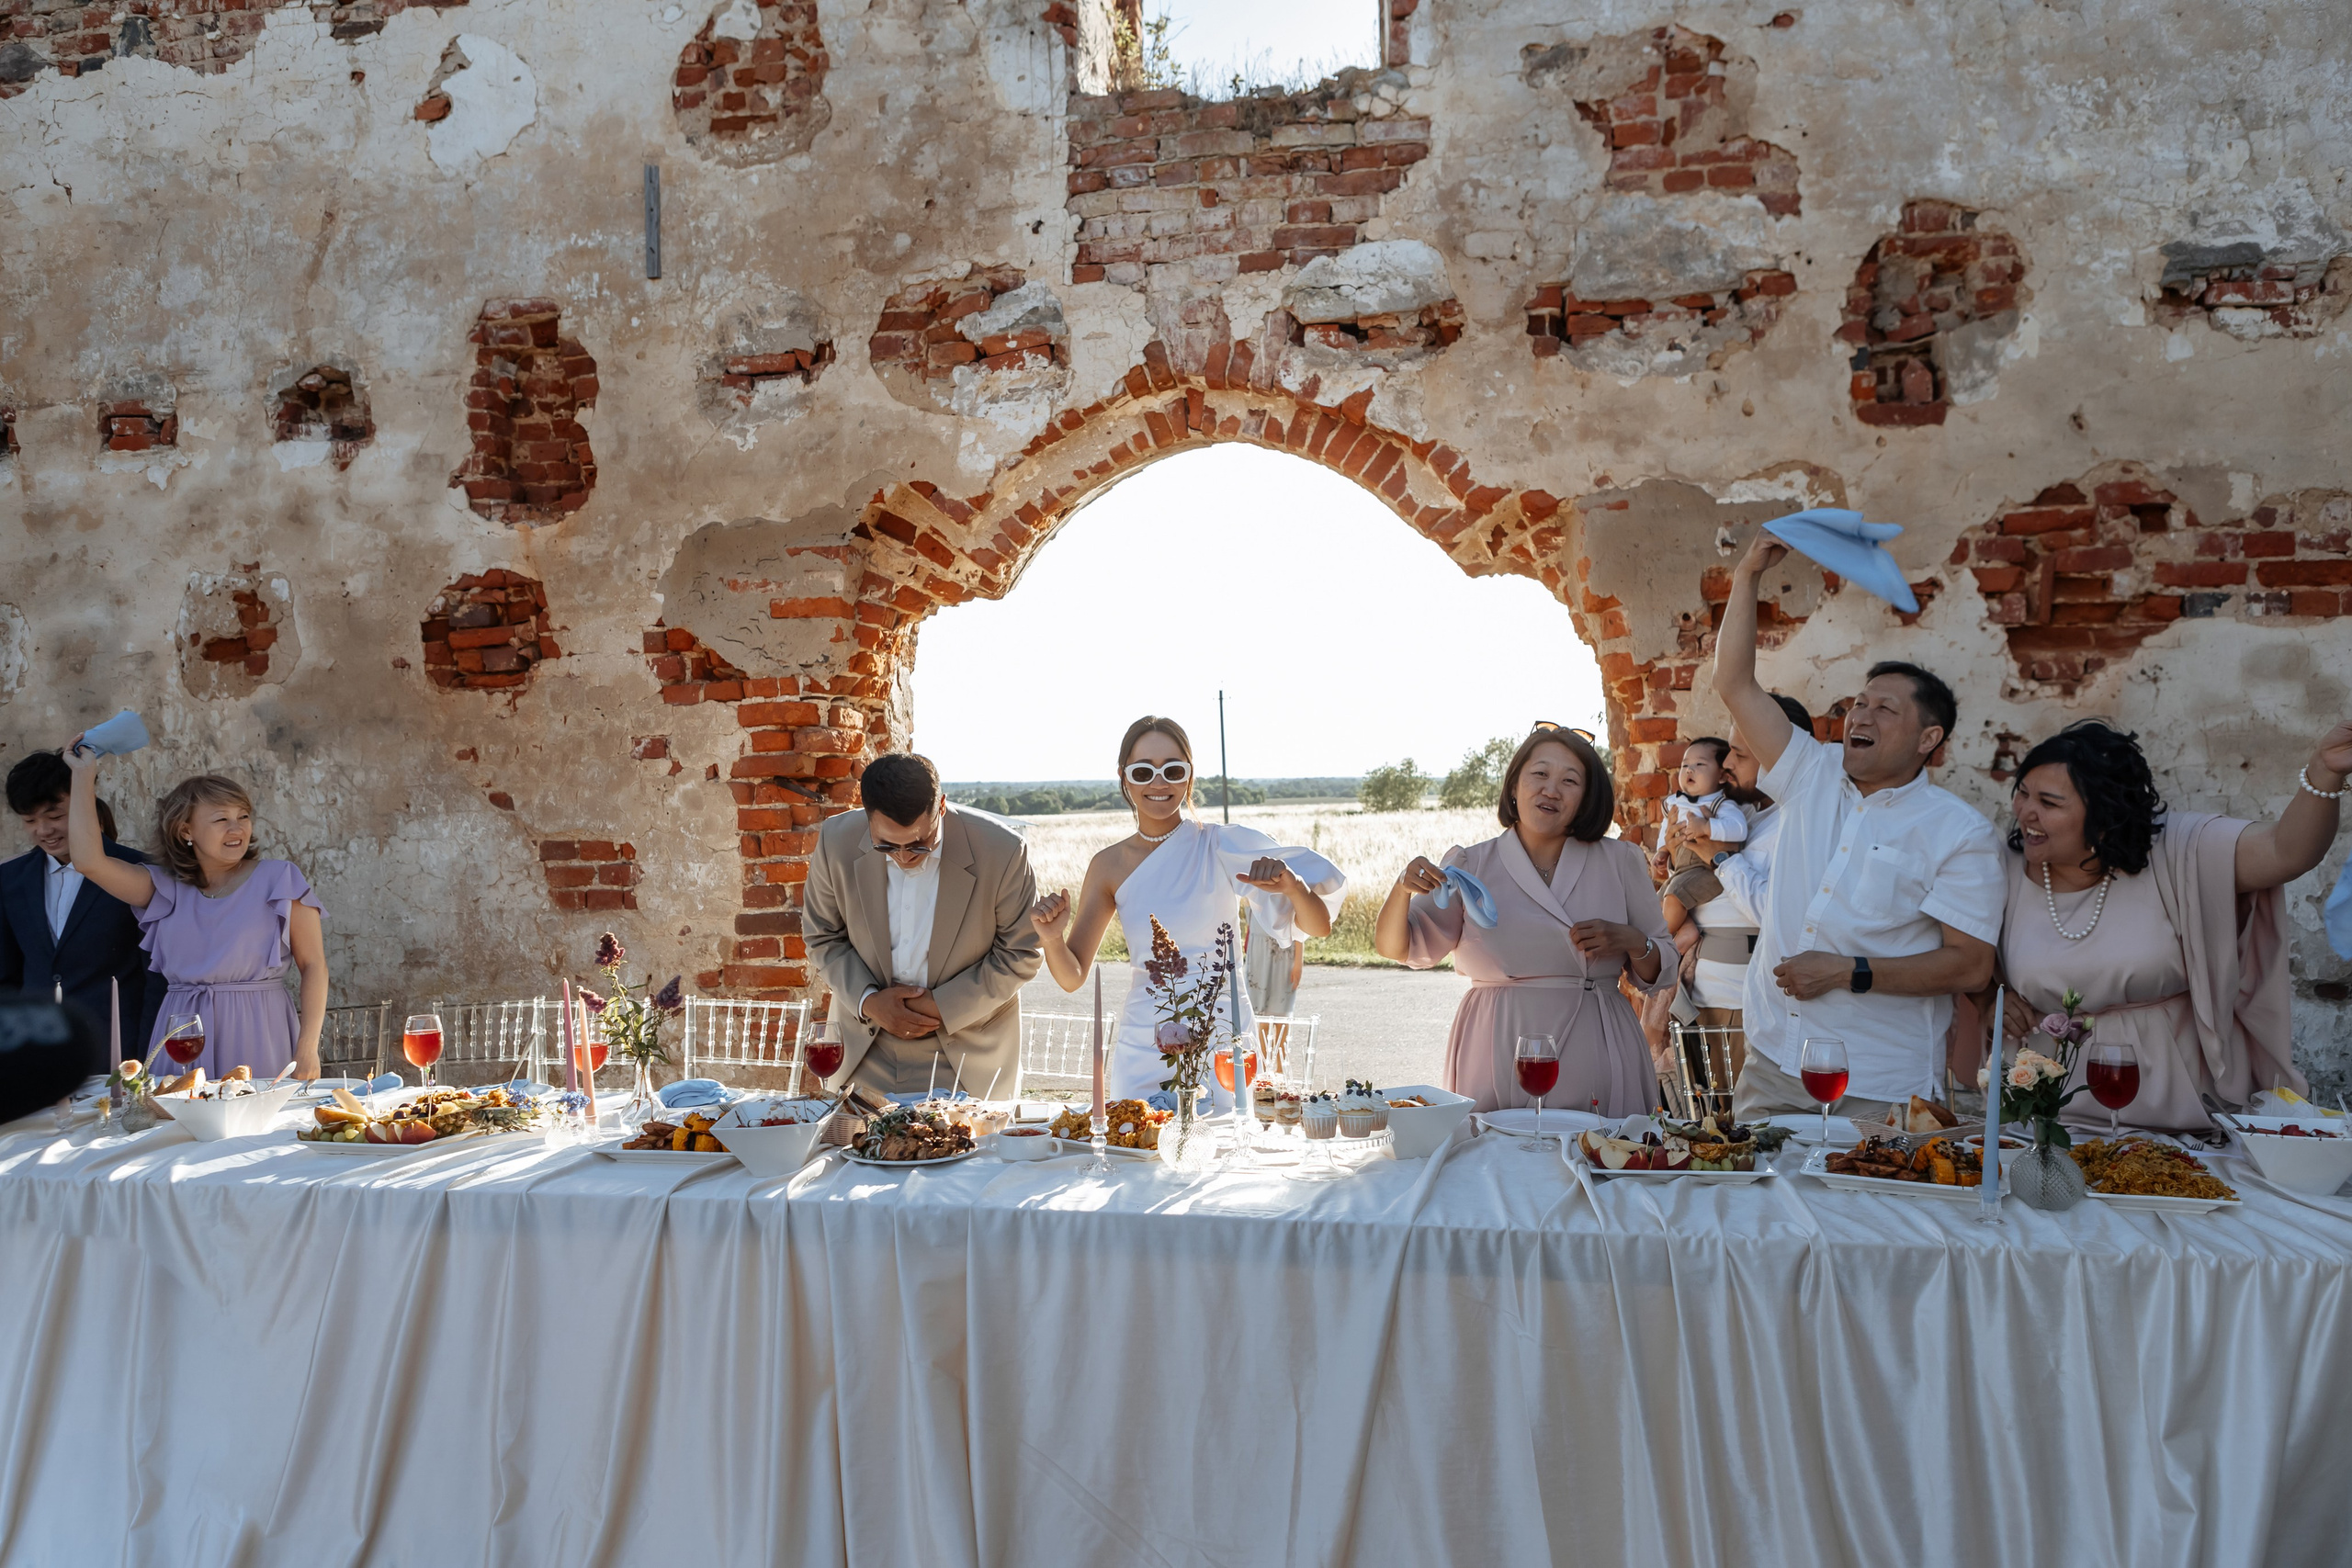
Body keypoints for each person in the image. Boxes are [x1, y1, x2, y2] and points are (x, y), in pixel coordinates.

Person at [1712, 533, 2003, 1123]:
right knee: (1752, 1214)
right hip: (1772, 1063)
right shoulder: (1809, 771)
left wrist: (1851, 972)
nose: (1859, 717)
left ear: (1929, 740)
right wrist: (1746, 575)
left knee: (1868, 1216)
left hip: (1880, 1080)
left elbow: (1970, 965)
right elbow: (1734, 684)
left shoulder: (1960, 833)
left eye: (1884, 710)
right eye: (1856, 706)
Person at [1993, 718, 2348, 1129]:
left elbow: (2285, 851)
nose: (2026, 813)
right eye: (2022, 793)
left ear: (2105, 814)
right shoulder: (2001, 869)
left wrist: (2324, 771)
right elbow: (1960, 951)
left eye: (2049, 803)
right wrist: (1988, 998)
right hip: (2046, 1108)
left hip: (2175, 1102)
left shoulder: (2180, 850)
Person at [1029, 716, 1342, 1107]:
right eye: (1143, 771)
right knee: (1138, 1148)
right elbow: (1072, 976)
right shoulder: (1107, 865)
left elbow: (1319, 925)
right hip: (1145, 1044)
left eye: (1173, 770)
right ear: (1124, 778)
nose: (1158, 783)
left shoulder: (1221, 846)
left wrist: (1293, 887)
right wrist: (1051, 938)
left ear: (1189, 776)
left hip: (1224, 1044)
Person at [1376, 727, 1669, 1116]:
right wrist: (1401, 889)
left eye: (1570, 780)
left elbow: (1663, 969)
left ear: (1585, 799)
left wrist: (1633, 940)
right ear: (1514, 785)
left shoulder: (1621, 861)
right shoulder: (1470, 864)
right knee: (1494, 1166)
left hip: (1596, 1045)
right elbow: (1399, 947)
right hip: (1495, 1045)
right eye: (1540, 774)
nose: (1552, 789)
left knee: (1600, 1163)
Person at [62, 750, 328, 1077]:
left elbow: (314, 965)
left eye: (242, 816)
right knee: (179, 1127)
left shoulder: (280, 878)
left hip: (260, 1030)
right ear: (186, 831)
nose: (237, 829)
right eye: (221, 819)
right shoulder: (162, 888)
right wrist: (83, 776)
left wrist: (307, 1047)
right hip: (181, 1036)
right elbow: (89, 862)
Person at [803, 752, 1043, 1098]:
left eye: (919, 844)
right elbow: (822, 936)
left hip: (968, 1057)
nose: (904, 858)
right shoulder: (834, 840)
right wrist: (870, 1002)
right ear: (867, 815)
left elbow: (1021, 953)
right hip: (865, 1051)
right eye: (886, 846)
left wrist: (939, 1006)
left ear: (942, 806)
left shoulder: (1004, 850)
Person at [1651, 695, 1814, 1093]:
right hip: (1699, 992)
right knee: (1702, 1128)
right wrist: (1674, 858)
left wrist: (1720, 857)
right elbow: (1703, 883)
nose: (1726, 765)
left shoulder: (1799, 825)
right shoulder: (1751, 815)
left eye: (1738, 754)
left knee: (1734, 1128)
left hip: (1740, 1003)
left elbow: (1777, 915)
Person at [1, 752, 164, 1073]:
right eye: (30, 821)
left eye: (55, 815)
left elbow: (155, 976)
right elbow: (6, 976)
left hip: (117, 1054)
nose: (44, 830)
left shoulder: (141, 872)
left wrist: (148, 1058)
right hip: (33, 1055)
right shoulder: (8, 880)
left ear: (84, 804)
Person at [1657, 737, 1748, 937]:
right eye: (1685, 765)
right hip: (1681, 868)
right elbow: (1666, 828)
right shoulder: (1674, 802)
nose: (1690, 769)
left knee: (1674, 898)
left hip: (1707, 870)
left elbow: (1739, 829)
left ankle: (1662, 942)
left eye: (1699, 764)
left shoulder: (1720, 804)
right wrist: (1662, 851)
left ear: (1722, 776)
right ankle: (1686, 930)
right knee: (1656, 901)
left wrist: (1708, 827)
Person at [1241, 885, 1306, 1018]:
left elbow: (1299, 930)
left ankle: (1283, 1040)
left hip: (1284, 957)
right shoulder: (1252, 887)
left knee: (1283, 1013)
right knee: (1259, 1015)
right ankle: (1262, 1040)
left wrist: (1298, 964)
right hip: (1257, 956)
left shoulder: (1287, 888)